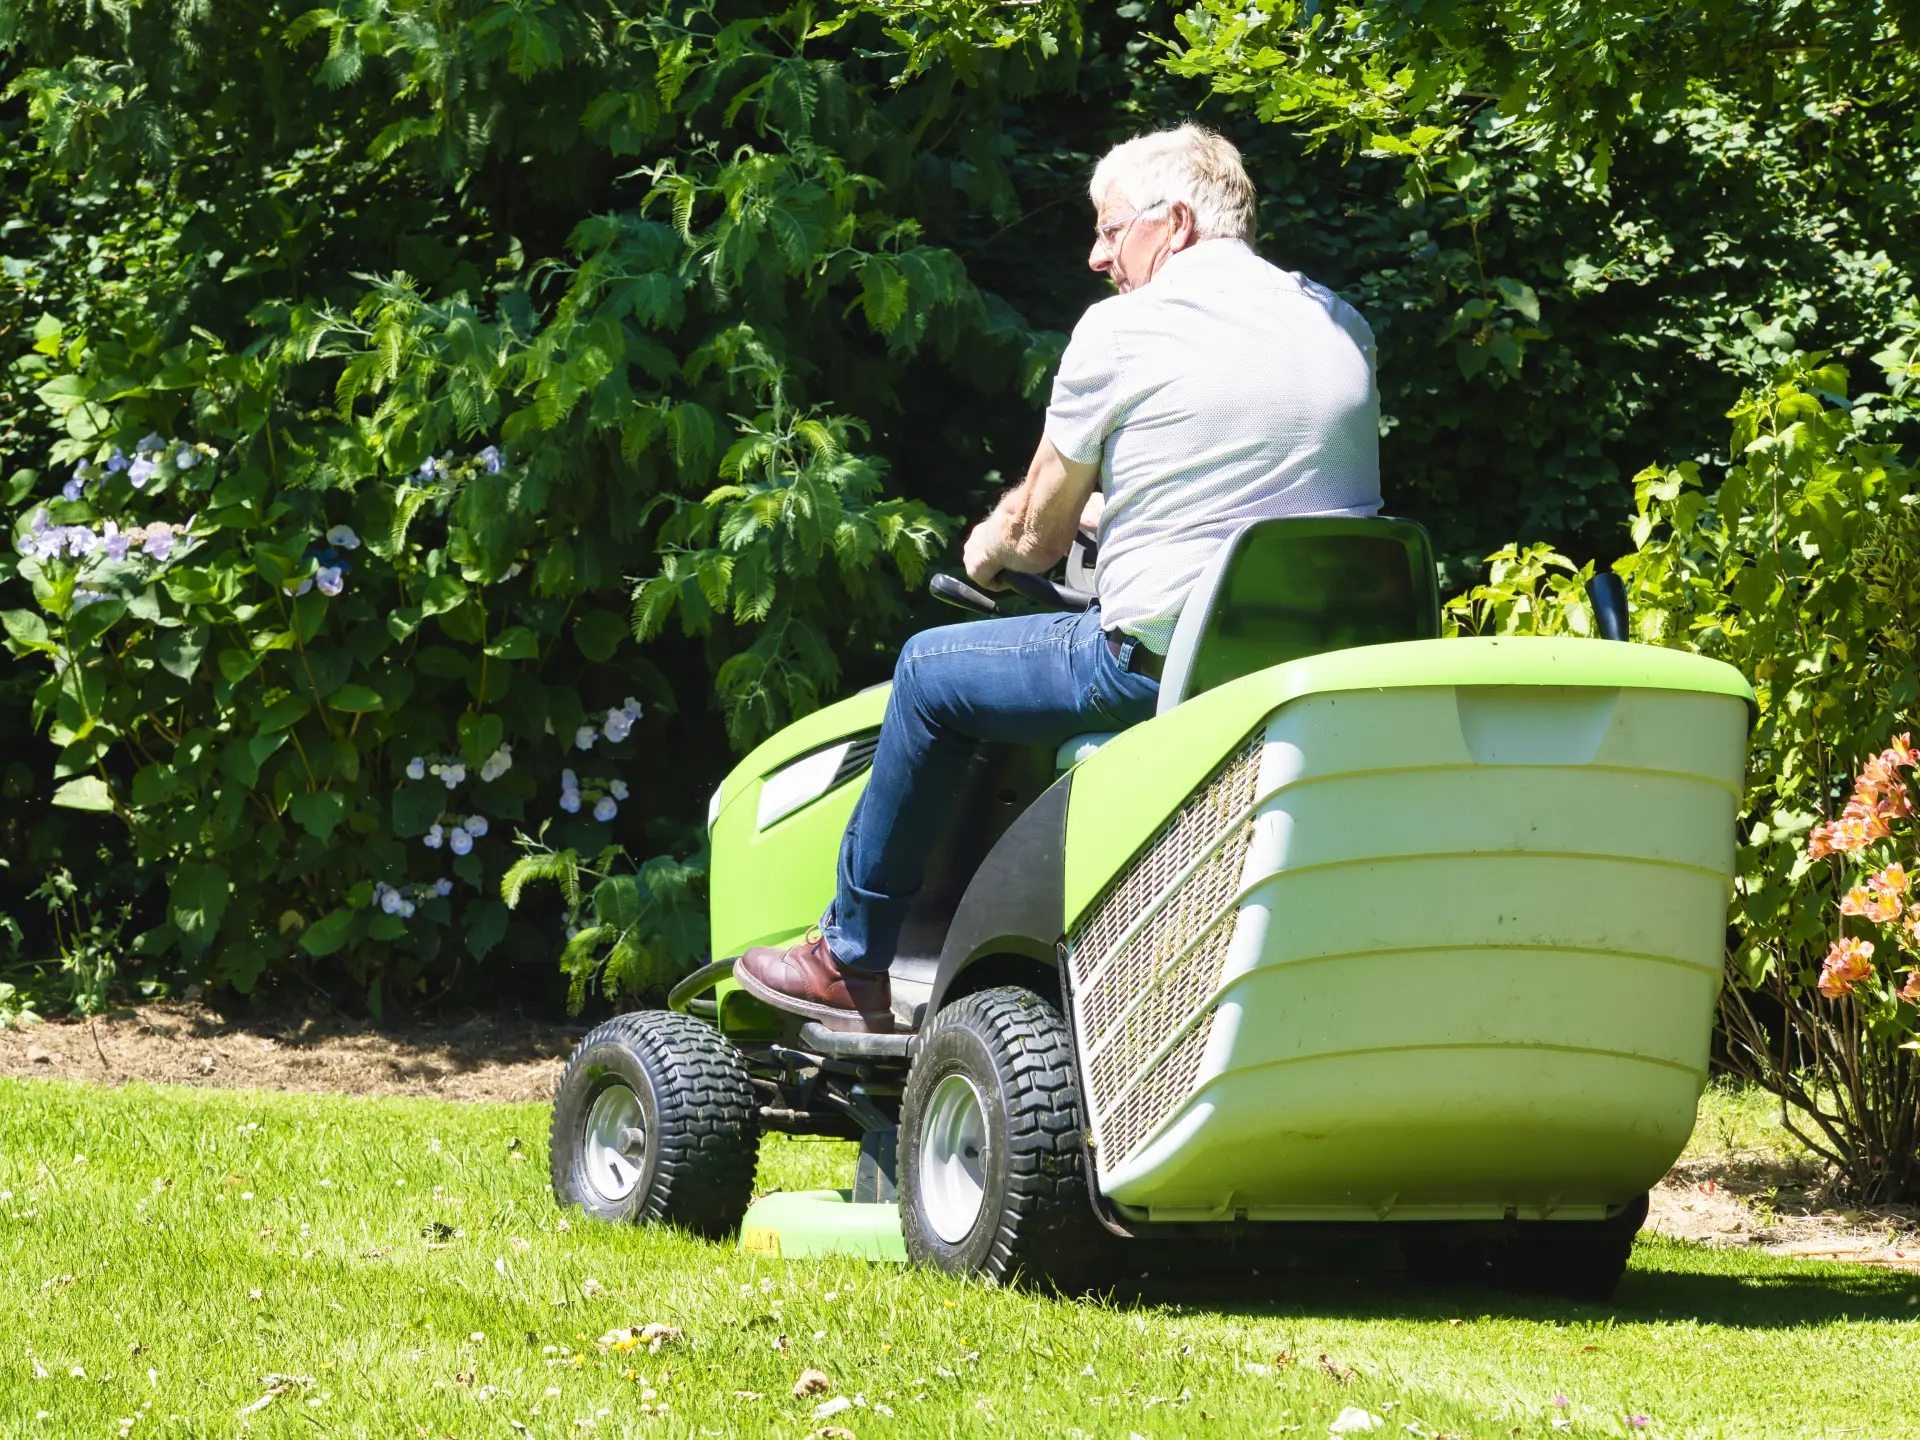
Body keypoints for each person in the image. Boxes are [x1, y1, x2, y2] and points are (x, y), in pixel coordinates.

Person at [735, 122, 1382, 1032]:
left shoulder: (1126, 329)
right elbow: (1270, 491)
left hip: (1159, 673)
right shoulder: (1336, 322)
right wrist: (1122, 513)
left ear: (1177, 223)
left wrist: (991, 547)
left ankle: (850, 956)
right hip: (1316, 676)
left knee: (928, 671)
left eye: (1111, 230)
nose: (1096, 255)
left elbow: (1037, 535)